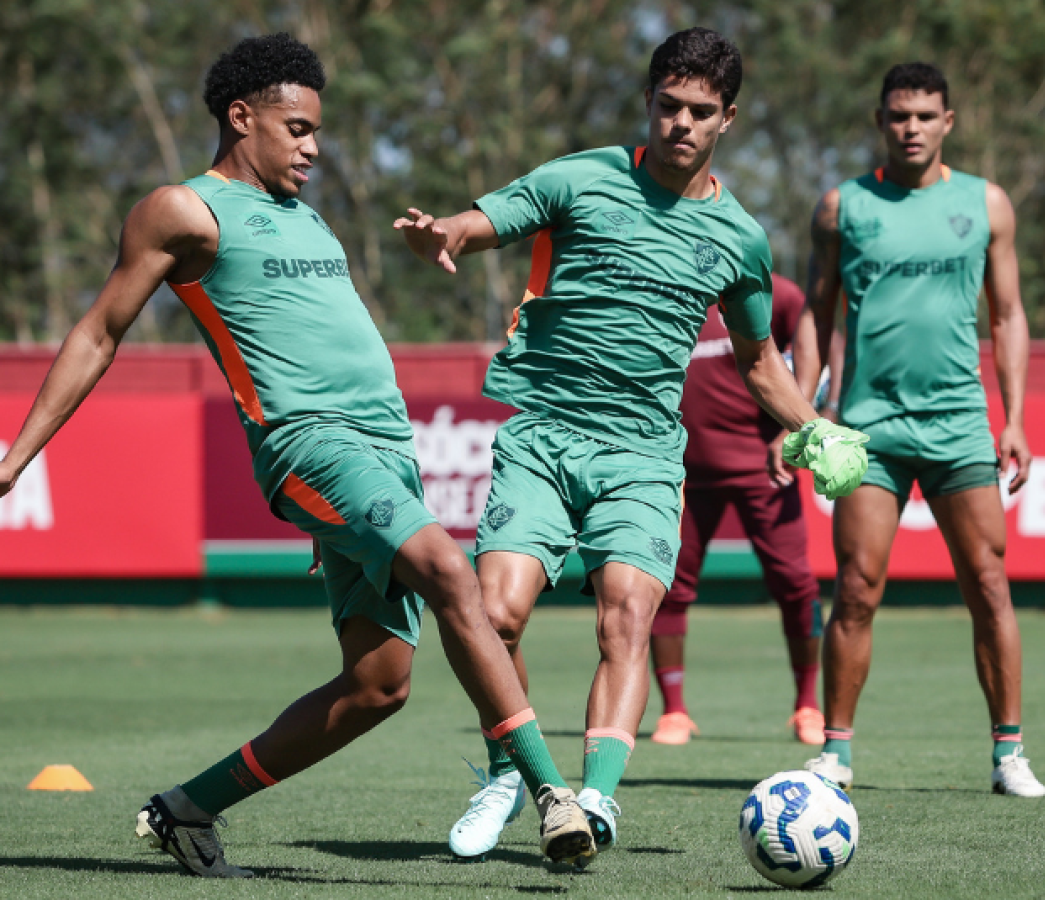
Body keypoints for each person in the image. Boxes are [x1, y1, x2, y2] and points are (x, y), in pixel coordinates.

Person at [0, 33, 597, 878]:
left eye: (318, 130)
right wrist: (17, 455)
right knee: (450, 570)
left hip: (385, 457)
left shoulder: (307, 216)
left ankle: (187, 808)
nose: (314, 146)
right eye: (297, 127)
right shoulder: (182, 209)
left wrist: (346, 524)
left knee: (378, 688)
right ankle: (551, 796)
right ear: (241, 118)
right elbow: (99, 332)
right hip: (310, 448)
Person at [396, 27, 869, 863]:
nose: (681, 123)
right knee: (495, 616)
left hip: (645, 456)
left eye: (700, 111)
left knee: (628, 617)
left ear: (728, 118)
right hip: (542, 435)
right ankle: (514, 772)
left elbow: (761, 359)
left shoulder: (740, 239)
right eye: (668, 105)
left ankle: (594, 803)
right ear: (647, 102)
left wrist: (812, 426)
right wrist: (447, 233)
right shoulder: (581, 176)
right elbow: (489, 218)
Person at [800, 62, 1045, 797]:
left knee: (989, 583)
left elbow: (1007, 316)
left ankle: (1009, 755)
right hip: (869, 430)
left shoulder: (988, 203)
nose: (912, 127)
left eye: (925, 115)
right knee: (856, 589)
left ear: (948, 122)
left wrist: (1017, 419)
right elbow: (817, 315)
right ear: (881, 121)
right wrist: (811, 413)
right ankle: (835, 754)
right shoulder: (842, 207)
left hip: (960, 426)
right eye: (899, 115)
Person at [649, 274, 825, 747]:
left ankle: (808, 705)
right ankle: (674, 712)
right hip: (681, 470)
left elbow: (815, 336)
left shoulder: (773, 292)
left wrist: (797, 424)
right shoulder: (665, 286)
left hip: (765, 468)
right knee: (667, 587)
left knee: (796, 585)